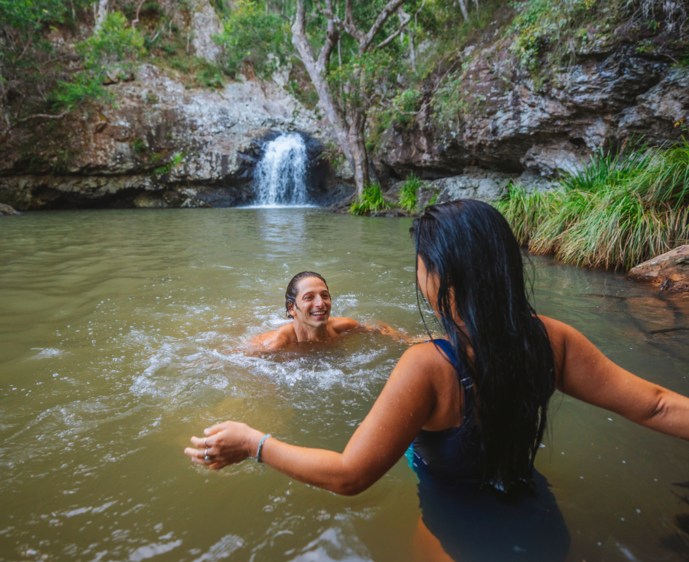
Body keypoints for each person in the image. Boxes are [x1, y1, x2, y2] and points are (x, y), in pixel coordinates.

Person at [185, 200, 689, 560]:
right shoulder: (553, 338)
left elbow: (349, 475)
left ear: (442, 273)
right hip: (534, 510)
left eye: (422, 263)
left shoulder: (427, 365)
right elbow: (659, 406)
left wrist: (254, 442)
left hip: (455, 525)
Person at [246, 270, 410, 351]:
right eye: (309, 297)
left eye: (324, 295)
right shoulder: (276, 344)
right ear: (292, 308)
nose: (321, 303)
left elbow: (377, 329)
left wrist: (405, 339)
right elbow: (232, 358)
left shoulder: (344, 326)